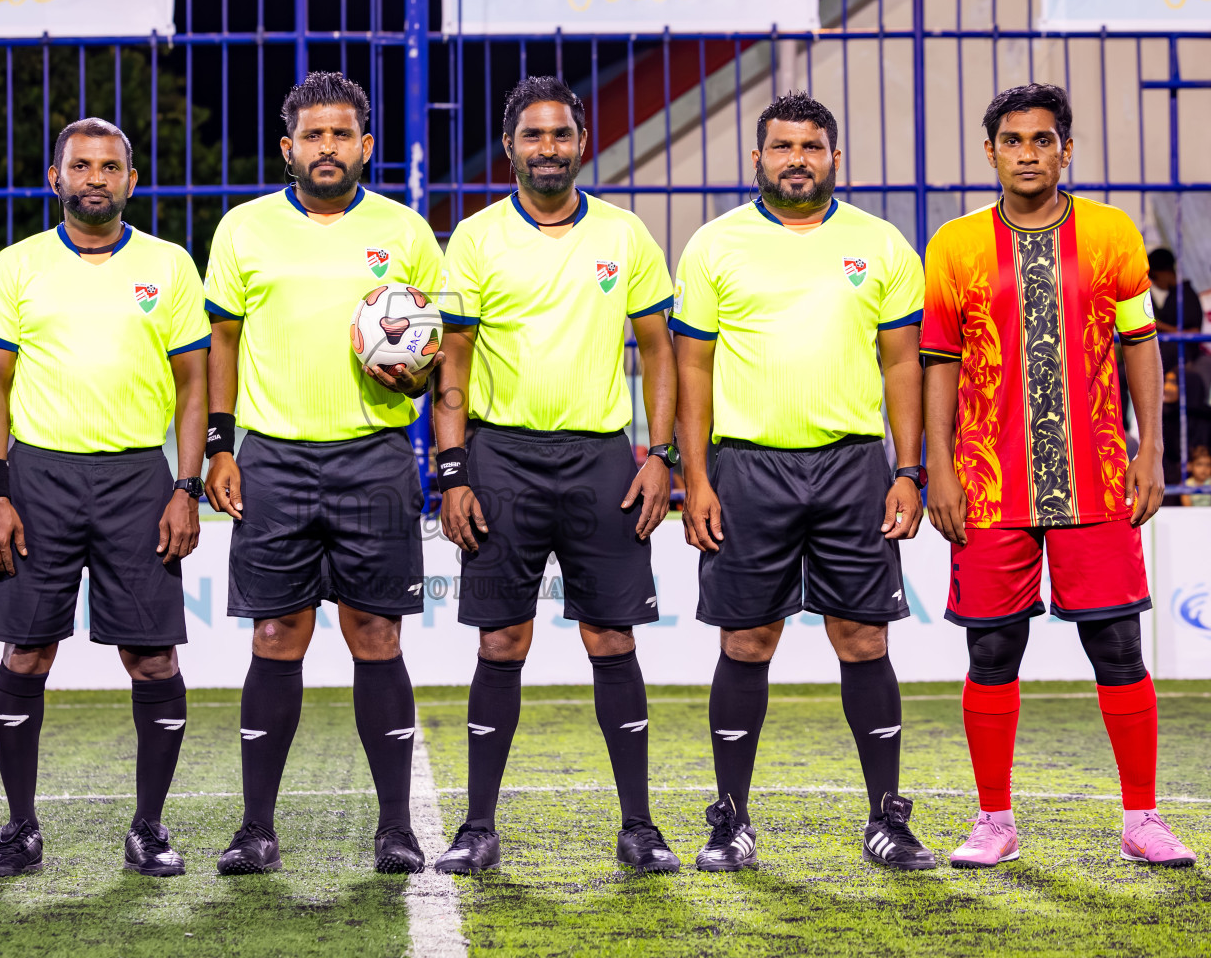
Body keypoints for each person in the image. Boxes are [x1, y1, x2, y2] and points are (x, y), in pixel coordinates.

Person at [922, 83, 1196, 868]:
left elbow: (1139, 343)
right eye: (1012, 140)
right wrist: (939, 466)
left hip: (1098, 481)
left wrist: (1150, 449)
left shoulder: (1111, 234)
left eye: (1043, 140)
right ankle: (993, 822)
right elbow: (939, 361)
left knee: (1118, 648)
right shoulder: (954, 245)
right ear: (991, 153)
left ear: (1065, 150)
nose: (1028, 153)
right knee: (991, 653)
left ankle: (1142, 820)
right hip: (987, 485)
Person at [672, 91, 933, 873]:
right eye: (783, 147)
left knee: (864, 637)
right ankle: (731, 818)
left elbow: (902, 364)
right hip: (747, 467)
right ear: (757, 158)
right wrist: (696, 478)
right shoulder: (715, 245)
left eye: (812, 147)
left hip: (853, 466)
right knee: (747, 640)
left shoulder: (880, 244)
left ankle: (887, 818)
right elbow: (692, 369)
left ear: (834, 158)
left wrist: (909, 470)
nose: (798, 160)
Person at [432, 76, 682, 876]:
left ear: (581, 143)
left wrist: (662, 455)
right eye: (533, 135)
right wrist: (453, 473)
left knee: (612, 635)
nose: (549, 147)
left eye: (561, 134)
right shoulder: (476, 238)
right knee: (502, 639)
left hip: (601, 458)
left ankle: (639, 827)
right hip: (500, 458)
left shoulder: (625, 233)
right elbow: (453, 362)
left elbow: (659, 351)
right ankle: (478, 827)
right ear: (510, 146)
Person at [204, 73, 443, 876]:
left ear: (366, 146)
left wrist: (414, 375)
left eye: (342, 135)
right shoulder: (244, 229)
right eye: (313, 136)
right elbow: (223, 343)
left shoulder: (406, 230)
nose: (328, 148)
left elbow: (434, 352)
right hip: (273, 457)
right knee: (276, 634)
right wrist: (220, 446)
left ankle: (395, 829)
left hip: (374, 456)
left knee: (376, 634)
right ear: (289, 148)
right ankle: (256, 829)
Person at [0, 118, 210, 878]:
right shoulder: (18, 264)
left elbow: (195, 387)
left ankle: (149, 829)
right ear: (56, 178)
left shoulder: (169, 265)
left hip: (139, 479)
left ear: (131, 181)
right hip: (37, 479)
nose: (95, 178)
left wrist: (186, 486)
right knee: (27, 652)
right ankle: (20, 829)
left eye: (110, 167)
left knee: (153, 658)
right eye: (80, 166)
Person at [1148, 248, 1204, 375]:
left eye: (1154, 276)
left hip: (1181, 356)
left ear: (1166, 271)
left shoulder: (1185, 295)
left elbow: (1194, 332)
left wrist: (1159, 326)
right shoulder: (1172, 296)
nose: (1154, 282)